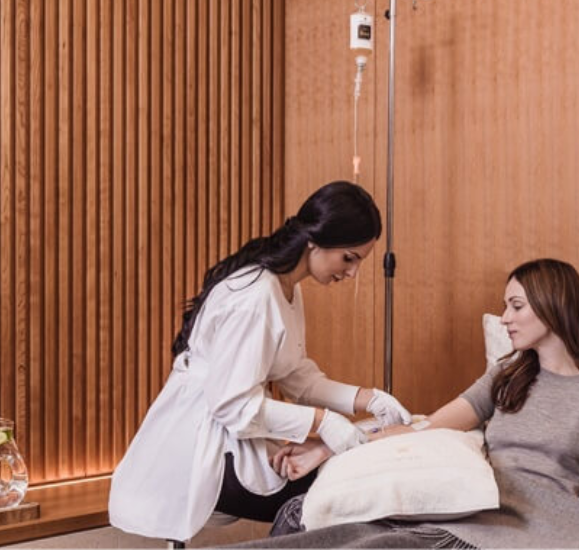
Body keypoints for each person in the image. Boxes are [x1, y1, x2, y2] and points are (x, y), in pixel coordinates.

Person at [248, 258, 579, 548]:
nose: (504, 318)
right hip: (471, 501)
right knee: (323, 526)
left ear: (555, 307)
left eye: (516, 306)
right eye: (505, 306)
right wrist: (330, 445)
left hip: (536, 521)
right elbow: (425, 428)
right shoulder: (508, 375)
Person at [108, 181, 413, 543]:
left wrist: (368, 398)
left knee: (338, 473)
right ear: (316, 240)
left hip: (229, 430)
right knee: (337, 491)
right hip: (199, 447)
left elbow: (296, 375)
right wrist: (323, 422)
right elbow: (231, 405)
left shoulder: (285, 287)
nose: (352, 273)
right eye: (349, 258)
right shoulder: (256, 297)